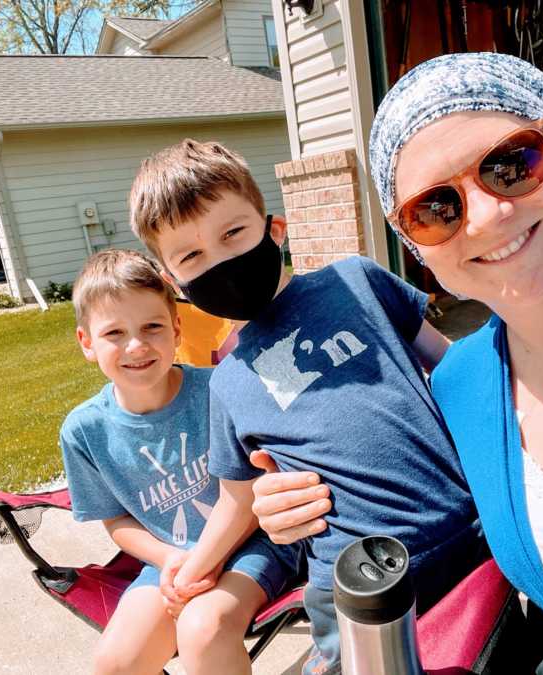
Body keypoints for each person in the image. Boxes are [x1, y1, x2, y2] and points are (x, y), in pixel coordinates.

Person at [250, 52, 543, 674]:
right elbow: (408, 496)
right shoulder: (462, 385)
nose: (487, 214)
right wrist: (296, 507)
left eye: (511, 164)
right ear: (417, 247)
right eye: (436, 208)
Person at [128, 139, 487, 675]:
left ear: (274, 229)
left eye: (232, 234)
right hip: (356, 582)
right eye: (191, 256)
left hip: (474, 533)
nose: (221, 261)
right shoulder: (226, 382)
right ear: (174, 281)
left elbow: (454, 367)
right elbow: (238, 499)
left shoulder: (358, 280)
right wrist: (193, 571)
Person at [58, 249, 300, 675]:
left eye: (152, 326)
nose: (136, 345)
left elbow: (254, 489)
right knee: (113, 665)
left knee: (202, 630)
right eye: (114, 332)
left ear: (176, 327)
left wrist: (197, 567)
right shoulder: (84, 432)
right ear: (87, 343)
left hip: (256, 542)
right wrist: (169, 559)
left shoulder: (220, 389)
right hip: (172, 560)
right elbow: (116, 521)